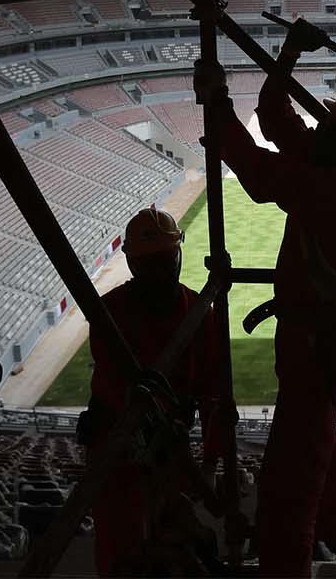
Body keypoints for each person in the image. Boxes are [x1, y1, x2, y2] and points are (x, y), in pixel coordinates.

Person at [213, 19, 336, 578]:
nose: (317, 126)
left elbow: (255, 172)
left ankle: (287, 566)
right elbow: (276, 118)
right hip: (317, 336)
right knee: (317, 436)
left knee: (289, 479)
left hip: (313, 339)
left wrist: (218, 105)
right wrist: (290, 52)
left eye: (330, 121)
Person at [81, 205, 228, 577]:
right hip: (120, 447)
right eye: (152, 263)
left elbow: (215, 395)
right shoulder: (111, 314)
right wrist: (203, 470)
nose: (160, 271)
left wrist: (209, 465)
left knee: (169, 546)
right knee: (124, 552)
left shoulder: (196, 313)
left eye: (164, 260)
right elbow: (124, 392)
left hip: (160, 449)